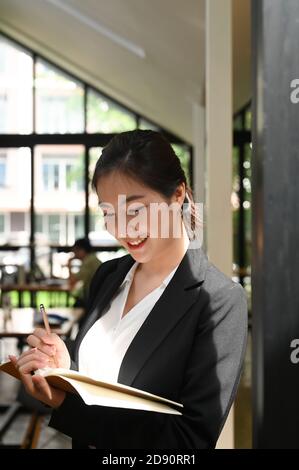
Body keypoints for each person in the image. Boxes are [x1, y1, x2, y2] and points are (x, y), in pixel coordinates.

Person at [9, 130, 248, 449]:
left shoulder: (218, 301)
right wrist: (67, 371)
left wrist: (65, 404)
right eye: (108, 213)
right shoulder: (109, 275)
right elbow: (107, 383)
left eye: (135, 210)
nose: (122, 230)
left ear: (177, 195)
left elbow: (188, 442)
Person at [68, 238, 101, 308]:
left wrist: (69, 266)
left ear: (82, 250)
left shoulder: (88, 262)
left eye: (75, 251)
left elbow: (72, 281)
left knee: (76, 305)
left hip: (92, 298)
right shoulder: (92, 258)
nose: (74, 254)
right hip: (97, 295)